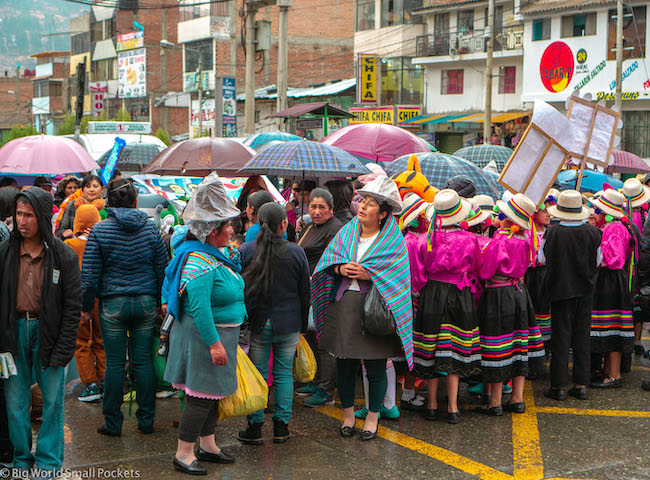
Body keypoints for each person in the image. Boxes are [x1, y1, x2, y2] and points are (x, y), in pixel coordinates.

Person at [311, 176, 413, 441]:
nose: (364, 207)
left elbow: (400, 277)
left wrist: (371, 275)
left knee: (376, 367)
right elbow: (328, 261)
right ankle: (347, 416)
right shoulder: (347, 231)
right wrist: (339, 268)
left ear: (383, 214)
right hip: (344, 306)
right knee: (344, 365)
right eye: (363, 202)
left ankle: (372, 418)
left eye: (370, 204)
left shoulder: (394, 240)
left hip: (375, 311)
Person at [163, 172, 244, 475]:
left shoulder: (217, 255)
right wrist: (214, 344)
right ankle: (184, 453)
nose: (232, 229)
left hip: (217, 338)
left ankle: (208, 445)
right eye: (227, 225)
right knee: (198, 397)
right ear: (212, 232)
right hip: (203, 339)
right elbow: (199, 308)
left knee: (209, 395)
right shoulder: (200, 261)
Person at [0, 187, 82, 478]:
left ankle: (47, 462)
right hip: (13, 333)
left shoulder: (63, 256)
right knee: (15, 403)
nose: (22, 221)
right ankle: (22, 459)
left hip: (50, 333)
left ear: (43, 217)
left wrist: (63, 349)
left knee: (52, 403)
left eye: (29, 215)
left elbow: (73, 307)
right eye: (18, 214)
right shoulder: (6, 252)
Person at [82, 178, 168, 436]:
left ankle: (112, 423)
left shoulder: (99, 230)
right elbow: (163, 269)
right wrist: (160, 301)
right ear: (135, 201)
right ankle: (146, 421)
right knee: (142, 362)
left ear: (109, 201)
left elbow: (89, 276)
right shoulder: (151, 230)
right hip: (144, 303)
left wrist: (86, 306)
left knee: (116, 364)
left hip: (112, 305)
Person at [238, 202, 310, 445]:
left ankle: (255, 426)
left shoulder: (246, 251)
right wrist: (301, 325)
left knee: (258, 374)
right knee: (283, 375)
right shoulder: (296, 252)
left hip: (259, 323)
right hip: (289, 323)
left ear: (259, 224)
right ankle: (281, 427)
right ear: (284, 224)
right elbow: (304, 292)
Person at [411, 189, 481, 424]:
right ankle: (452, 407)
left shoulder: (424, 239)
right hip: (460, 294)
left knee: (431, 348)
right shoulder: (470, 239)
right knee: (454, 350)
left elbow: (418, 276)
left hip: (432, 294)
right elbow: (475, 268)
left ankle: (431, 404)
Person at [477, 193, 545, 416]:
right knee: (518, 343)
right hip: (519, 293)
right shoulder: (527, 240)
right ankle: (517, 398)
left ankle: (495, 402)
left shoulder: (500, 241)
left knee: (498, 345)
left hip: (498, 294)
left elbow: (486, 272)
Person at [543, 190, 602, 401]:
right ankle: (580, 383)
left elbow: (542, 259)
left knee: (560, 337)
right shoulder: (594, 233)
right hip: (585, 290)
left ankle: (557, 386)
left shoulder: (552, 232)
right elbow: (598, 261)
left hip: (559, 290)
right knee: (581, 337)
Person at [295, 188, 343, 408]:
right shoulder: (312, 227)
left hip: (324, 289)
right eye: (313, 206)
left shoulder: (335, 229)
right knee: (313, 336)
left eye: (322, 207)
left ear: (331, 210)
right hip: (309, 289)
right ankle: (316, 381)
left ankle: (326, 390)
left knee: (324, 341)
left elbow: (334, 259)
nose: (316, 211)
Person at [588, 189, 636, 388]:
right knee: (608, 328)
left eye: (597, 211)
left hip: (610, 280)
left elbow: (613, 260)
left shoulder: (613, 229)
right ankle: (608, 370)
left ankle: (614, 375)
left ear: (606, 213)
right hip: (613, 280)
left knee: (612, 328)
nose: (594, 214)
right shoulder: (618, 226)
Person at [64, 198, 107, 403]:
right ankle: (106, 382)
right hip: (101, 298)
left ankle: (90, 384)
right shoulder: (101, 242)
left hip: (76, 299)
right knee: (101, 340)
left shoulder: (69, 245)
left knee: (81, 342)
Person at [620, 178, 650, 356]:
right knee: (637, 302)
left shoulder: (621, 215)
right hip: (636, 264)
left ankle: (632, 341)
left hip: (633, 265)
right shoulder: (643, 213)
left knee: (634, 303)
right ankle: (634, 341)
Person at [524, 194, 555, 347]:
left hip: (546, 276)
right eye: (544, 212)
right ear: (534, 213)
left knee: (545, 308)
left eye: (549, 212)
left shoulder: (552, 232)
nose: (549, 215)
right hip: (530, 276)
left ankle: (545, 343)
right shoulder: (525, 233)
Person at [56, 174, 103, 240]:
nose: (91, 190)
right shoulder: (73, 205)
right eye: (88, 187)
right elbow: (60, 230)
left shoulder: (106, 207)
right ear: (82, 190)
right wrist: (65, 233)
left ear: (102, 189)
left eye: (95, 186)